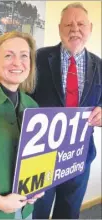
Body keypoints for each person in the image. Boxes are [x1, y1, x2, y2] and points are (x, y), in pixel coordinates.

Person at [30, 2, 102, 219]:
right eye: (68, 24)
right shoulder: (38, 58)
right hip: (41, 158)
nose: (75, 29)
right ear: (60, 28)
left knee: (69, 213)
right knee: (38, 213)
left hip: (79, 156)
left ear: (90, 28)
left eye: (80, 24)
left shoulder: (100, 65)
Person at [0, 31, 44, 219]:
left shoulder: (32, 106)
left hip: (25, 211)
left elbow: (37, 159)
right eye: (9, 55)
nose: (17, 63)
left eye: (24, 56)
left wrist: (37, 188)